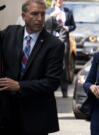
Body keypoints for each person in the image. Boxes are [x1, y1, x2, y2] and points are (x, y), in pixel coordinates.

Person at [0, 0, 64, 135]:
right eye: (34, 14)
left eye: (42, 14)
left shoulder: (54, 45)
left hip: (36, 117)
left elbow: (52, 82)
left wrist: (20, 86)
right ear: (23, 16)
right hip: (8, 115)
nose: (40, 19)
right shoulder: (10, 33)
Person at [46, 0, 76, 98]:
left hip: (64, 40)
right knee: (49, 64)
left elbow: (73, 26)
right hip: (50, 39)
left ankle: (64, 90)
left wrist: (68, 28)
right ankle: (50, 89)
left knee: (63, 65)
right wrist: (52, 16)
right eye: (56, 0)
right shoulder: (48, 11)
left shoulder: (68, 12)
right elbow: (44, 25)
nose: (59, 1)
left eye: (60, 0)